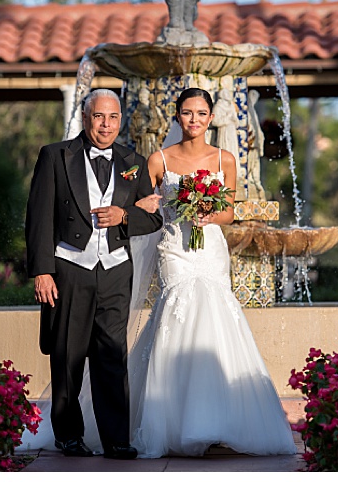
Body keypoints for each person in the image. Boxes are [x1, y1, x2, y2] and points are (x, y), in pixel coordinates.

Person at [130, 88, 296, 457]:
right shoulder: (158, 160)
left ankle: (219, 421)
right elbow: (141, 204)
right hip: (175, 248)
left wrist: (208, 213)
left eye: (201, 113)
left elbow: (229, 211)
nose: (194, 120)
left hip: (210, 248)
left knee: (216, 315)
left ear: (209, 118)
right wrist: (150, 205)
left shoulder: (225, 159)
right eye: (187, 113)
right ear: (177, 116)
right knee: (176, 309)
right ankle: (170, 421)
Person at [22, 89, 163, 460]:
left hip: (115, 270)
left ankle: (117, 439)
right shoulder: (55, 155)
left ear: (121, 119)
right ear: (86, 118)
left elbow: (154, 217)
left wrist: (124, 216)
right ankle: (68, 435)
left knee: (112, 356)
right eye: (99, 116)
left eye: (113, 117)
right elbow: (38, 217)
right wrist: (42, 272)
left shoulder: (134, 160)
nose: (106, 125)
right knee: (68, 354)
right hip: (70, 267)